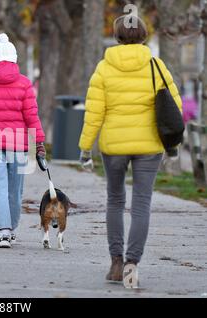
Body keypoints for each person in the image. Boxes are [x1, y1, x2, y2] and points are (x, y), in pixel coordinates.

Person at [78, 16, 182, 289]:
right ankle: (131, 266)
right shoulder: (156, 66)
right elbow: (174, 107)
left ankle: (115, 262)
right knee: (141, 205)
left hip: (114, 147)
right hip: (149, 147)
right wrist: (173, 145)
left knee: (114, 200)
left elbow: (94, 112)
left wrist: (85, 147)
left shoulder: (103, 68)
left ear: (117, 36)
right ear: (145, 35)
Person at [0, 33, 46, 248]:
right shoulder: (24, 83)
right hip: (18, 143)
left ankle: (3, 231)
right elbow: (32, 115)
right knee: (15, 189)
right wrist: (39, 141)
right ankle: (12, 229)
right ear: (14, 58)